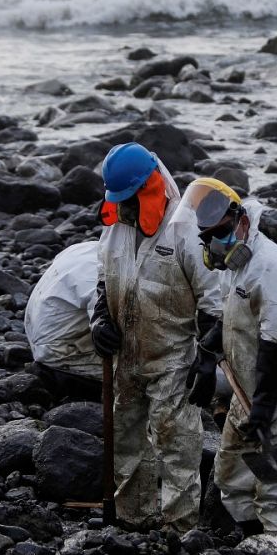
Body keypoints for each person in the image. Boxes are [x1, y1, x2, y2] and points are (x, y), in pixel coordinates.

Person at [181, 178, 277, 536]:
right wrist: (206, 351)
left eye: (219, 233)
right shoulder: (237, 269)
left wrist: (264, 409)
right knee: (231, 477)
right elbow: (234, 317)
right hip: (248, 390)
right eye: (206, 238)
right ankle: (253, 547)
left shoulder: (273, 269)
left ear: (241, 220)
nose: (213, 244)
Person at [91, 143, 221, 530]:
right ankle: (133, 515)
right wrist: (99, 319)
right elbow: (103, 280)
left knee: (177, 442)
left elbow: (215, 302)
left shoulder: (185, 232)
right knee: (125, 437)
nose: (126, 208)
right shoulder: (115, 229)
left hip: (172, 357)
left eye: (131, 199)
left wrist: (208, 357)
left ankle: (179, 527)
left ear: (150, 188)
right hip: (126, 355)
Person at [24, 240, 103, 401]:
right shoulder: (105, 277)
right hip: (63, 358)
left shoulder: (84, 249)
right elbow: (115, 324)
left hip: (41, 345)